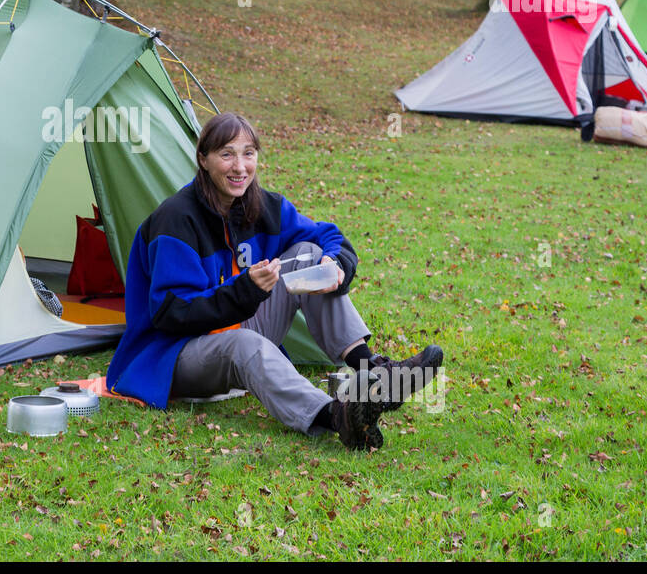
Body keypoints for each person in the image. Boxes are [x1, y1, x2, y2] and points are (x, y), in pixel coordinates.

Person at [105, 111, 443, 450]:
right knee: (244, 345)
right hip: (176, 354)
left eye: (248, 153)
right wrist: (246, 290)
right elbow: (171, 314)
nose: (240, 167)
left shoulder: (262, 206)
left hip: (235, 328)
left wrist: (335, 264)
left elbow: (327, 234)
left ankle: (376, 373)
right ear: (203, 160)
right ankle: (337, 416)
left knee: (310, 254)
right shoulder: (175, 220)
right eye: (227, 154)